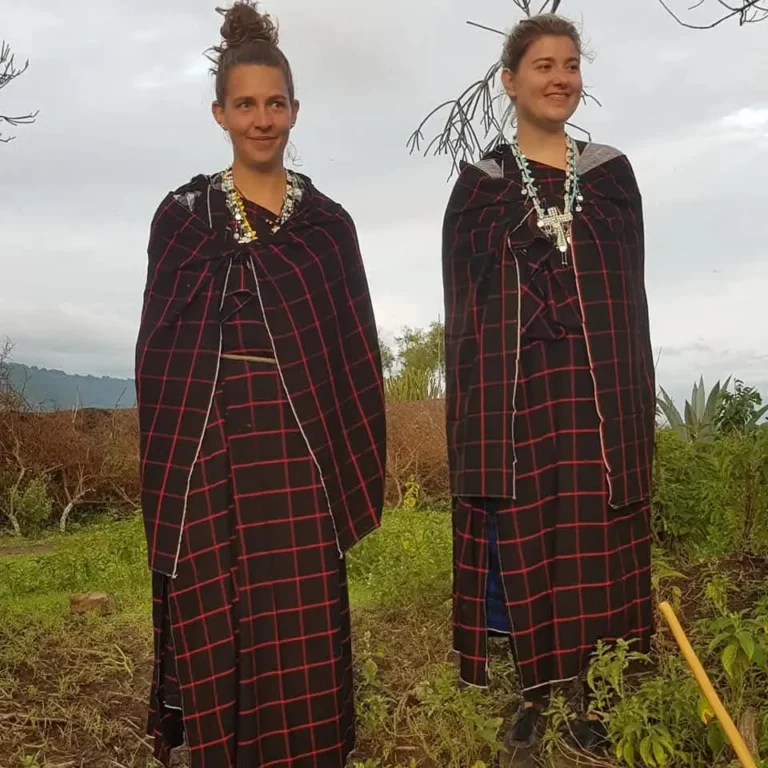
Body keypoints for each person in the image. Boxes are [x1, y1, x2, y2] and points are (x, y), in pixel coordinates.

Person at [134, 2, 386, 765]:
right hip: (209, 450)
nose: (262, 119)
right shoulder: (182, 220)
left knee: (300, 611)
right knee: (219, 609)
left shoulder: (328, 226)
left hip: (298, 446)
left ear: (295, 110)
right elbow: (161, 355)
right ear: (219, 113)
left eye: (275, 104)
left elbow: (354, 354)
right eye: (246, 104)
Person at [442, 14, 655, 749]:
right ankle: (534, 691)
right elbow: (467, 305)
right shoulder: (482, 186)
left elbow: (629, 293)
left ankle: (596, 697)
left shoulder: (611, 175)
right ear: (510, 81)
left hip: (598, 390)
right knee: (530, 536)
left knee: (596, 538)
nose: (560, 77)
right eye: (542, 65)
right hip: (518, 395)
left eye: (570, 64)